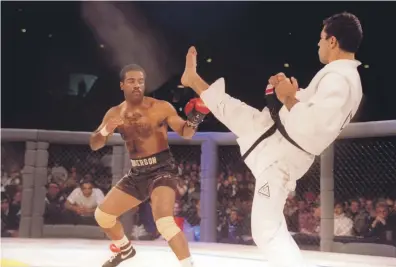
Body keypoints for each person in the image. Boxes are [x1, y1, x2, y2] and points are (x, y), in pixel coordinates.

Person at [181, 12, 363, 267]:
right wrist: (290, 91)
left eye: (321, 39)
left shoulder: (341, 79)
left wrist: (288, 97)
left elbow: (316, 125)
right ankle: (193, 80)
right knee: (235, 112)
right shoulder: (338, 76)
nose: (318, 44)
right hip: (278, 140)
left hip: (284, 157)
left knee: (265, 229)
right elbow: (310, 110)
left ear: (332, 41)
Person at [89, 64, 210, 267]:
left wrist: (196, 117)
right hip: (137, 172)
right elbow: (95, 144)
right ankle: (125, 250)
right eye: (131, 81)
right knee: (102, 215)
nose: (137, 85)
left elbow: (186, 133)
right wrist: (103, 132)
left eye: (140, 81)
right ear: (122, 85)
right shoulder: (114, 113)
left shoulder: (161, 107)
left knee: (164, 222)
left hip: (162, 170)